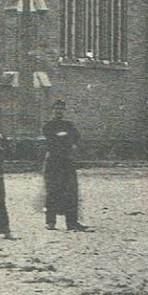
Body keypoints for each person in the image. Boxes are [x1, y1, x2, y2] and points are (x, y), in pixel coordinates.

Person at [42, 99, 88, 232]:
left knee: (71, 191)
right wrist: (64, 138)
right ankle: (50, 222)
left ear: (64, 110)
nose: (58, 111)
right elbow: (52, 140)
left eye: (61, 109)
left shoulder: (69, 125)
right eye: (56, 108)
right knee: (52, 190)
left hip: (67, 161)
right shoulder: (48, 126)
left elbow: (75, 138)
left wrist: (64, 138)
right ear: (52, 110)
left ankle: (72, 222)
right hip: (53, 162)